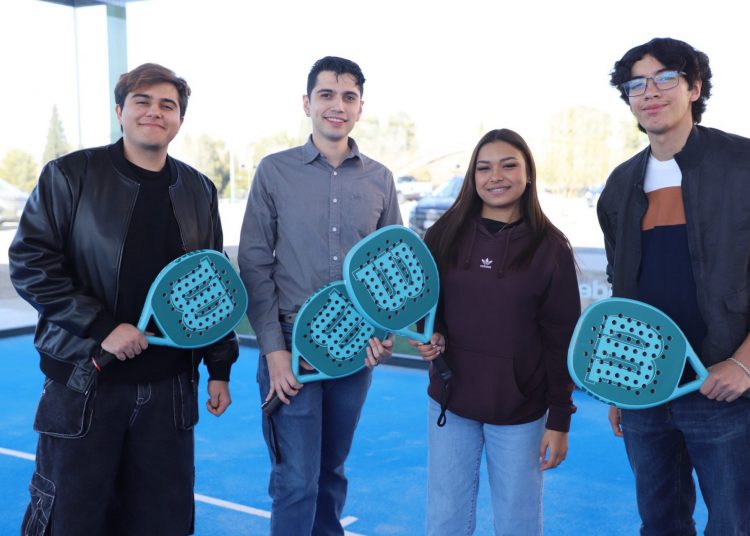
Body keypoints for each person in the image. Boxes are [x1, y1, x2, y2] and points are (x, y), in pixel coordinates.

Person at [9, 63, 239, 536]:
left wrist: (219, 366)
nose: (155, 112)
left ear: (179, 120)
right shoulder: (69, 175)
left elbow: (210, 285)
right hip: (85, 382)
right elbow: (31, 263)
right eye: (142, 101)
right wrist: (103, 328)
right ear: (120, 111)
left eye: (167, 105)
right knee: (70, 520)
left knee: (163, 522)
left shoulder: (199, 189)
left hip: (170, 390)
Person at [238, 56, 401, 535]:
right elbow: (255, 264)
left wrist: (384, 332)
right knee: (296, 481)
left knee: (331, 473)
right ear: (307, 103)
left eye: (349, 97)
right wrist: (274, 352)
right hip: (291, 345)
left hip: (354, 348)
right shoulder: (274, 171)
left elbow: (392, 267)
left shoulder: (380, 178)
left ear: (360, 108)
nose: (337, 105)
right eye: (326, 94)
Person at [599, 37, 750, 535]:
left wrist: (743, 364)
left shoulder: (742, 165)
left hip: (725, 389)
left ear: (695, 88)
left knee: (735, 525)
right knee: (660, 523)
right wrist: (620, 383)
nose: (650, 92)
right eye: (636, 84)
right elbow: (623, 290)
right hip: (645, 390)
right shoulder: (620, 185)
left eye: (665, 78)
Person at [410, 128, 580, 535]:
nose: (496, 176)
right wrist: (432, 334)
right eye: (484, 168)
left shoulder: (552, 248)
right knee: (444, 522)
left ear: (528, 173)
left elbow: (562, 341)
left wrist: (560, 419)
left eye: (508, 165)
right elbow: (426, 307)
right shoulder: (442, 235)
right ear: (472, 177)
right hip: (450, 404)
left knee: (517, 524)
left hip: (520, 411)